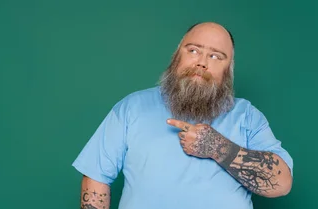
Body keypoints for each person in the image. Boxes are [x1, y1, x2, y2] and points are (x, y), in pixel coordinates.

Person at [72, 22, 294, 209]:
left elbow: (281, 184)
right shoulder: (131, 107)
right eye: (193, 50)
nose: (202, 62)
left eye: (216, 56)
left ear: (229, 69)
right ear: (177, 55)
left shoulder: (247, 116)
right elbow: (96, 178)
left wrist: (217, 147)